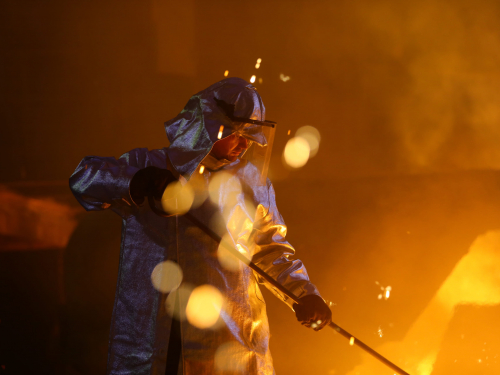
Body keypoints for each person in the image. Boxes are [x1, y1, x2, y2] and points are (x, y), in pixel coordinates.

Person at [69, 77, 331, 375]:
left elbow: (271, 249)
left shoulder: (251, 185)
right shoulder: (149, 165)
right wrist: (135, 181)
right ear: (209, 125)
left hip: (227, 340)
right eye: (237, 133)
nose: (245, 143)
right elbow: (83, 178)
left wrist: (305, 294)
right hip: (157, 337)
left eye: (250, 134)